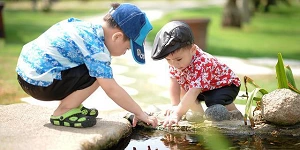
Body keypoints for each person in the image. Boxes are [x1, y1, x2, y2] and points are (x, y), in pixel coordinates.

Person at [16, 3, 158, 128]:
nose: (125, 53)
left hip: (26, 74)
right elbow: (111, 89)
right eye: (127, 49)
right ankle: (64, 111)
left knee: (95, 69)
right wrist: (139, 113)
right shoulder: (96, 48)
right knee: (99, 75)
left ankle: (73, 104)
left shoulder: (87, 29)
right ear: (117, 37)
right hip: (39, 84)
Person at [151, 21, 241, 127]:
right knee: (185, 94)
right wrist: (175, 105)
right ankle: (200, 118)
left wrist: (177, 114)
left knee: (213, 100)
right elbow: (174, 82)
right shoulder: (176, 62)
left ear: (193, 50)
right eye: (168, 60)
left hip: (225, 85)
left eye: (178, 59)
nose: (174, 64)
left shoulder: (203, 62)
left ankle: (234, 115)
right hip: (204, 88)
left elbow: (194, 92)